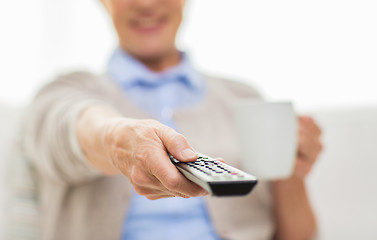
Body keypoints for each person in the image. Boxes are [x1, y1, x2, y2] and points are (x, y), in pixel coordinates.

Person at [19, 0, 322, 239]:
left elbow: (298, 236)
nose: (147, 3)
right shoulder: (65, 91)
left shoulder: (244, 99)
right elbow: (71, 125)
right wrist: (118, 141)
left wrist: (290, 169)